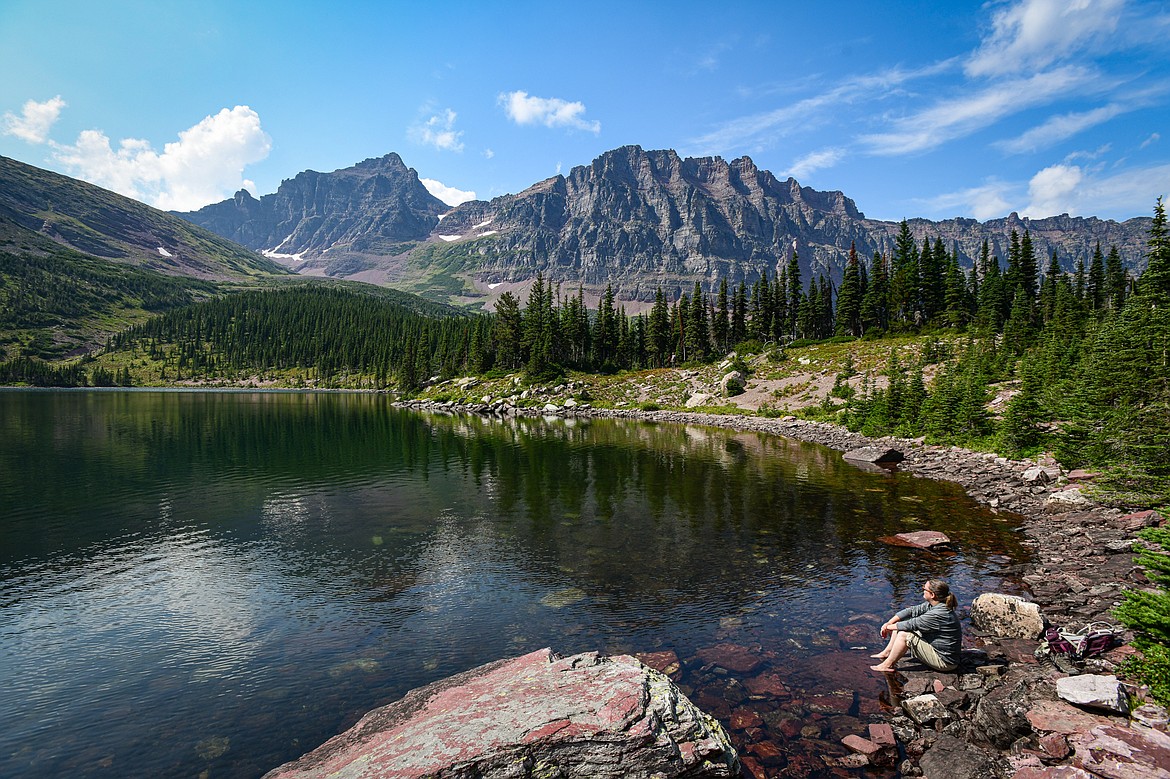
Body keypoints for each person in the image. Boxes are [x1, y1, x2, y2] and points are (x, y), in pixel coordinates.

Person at [869, 579, 961, 673]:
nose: (923, 590)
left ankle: (887, 665)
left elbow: (911, 624)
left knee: (904, 634)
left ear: (932, 595)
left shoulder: (938, 613)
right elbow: (911, 611)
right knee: (900, 623)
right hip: (937, 649)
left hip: (945, 662)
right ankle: (887, 652)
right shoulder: (934, 604)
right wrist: (889, 623)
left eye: (924, 589)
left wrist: (886, 628)